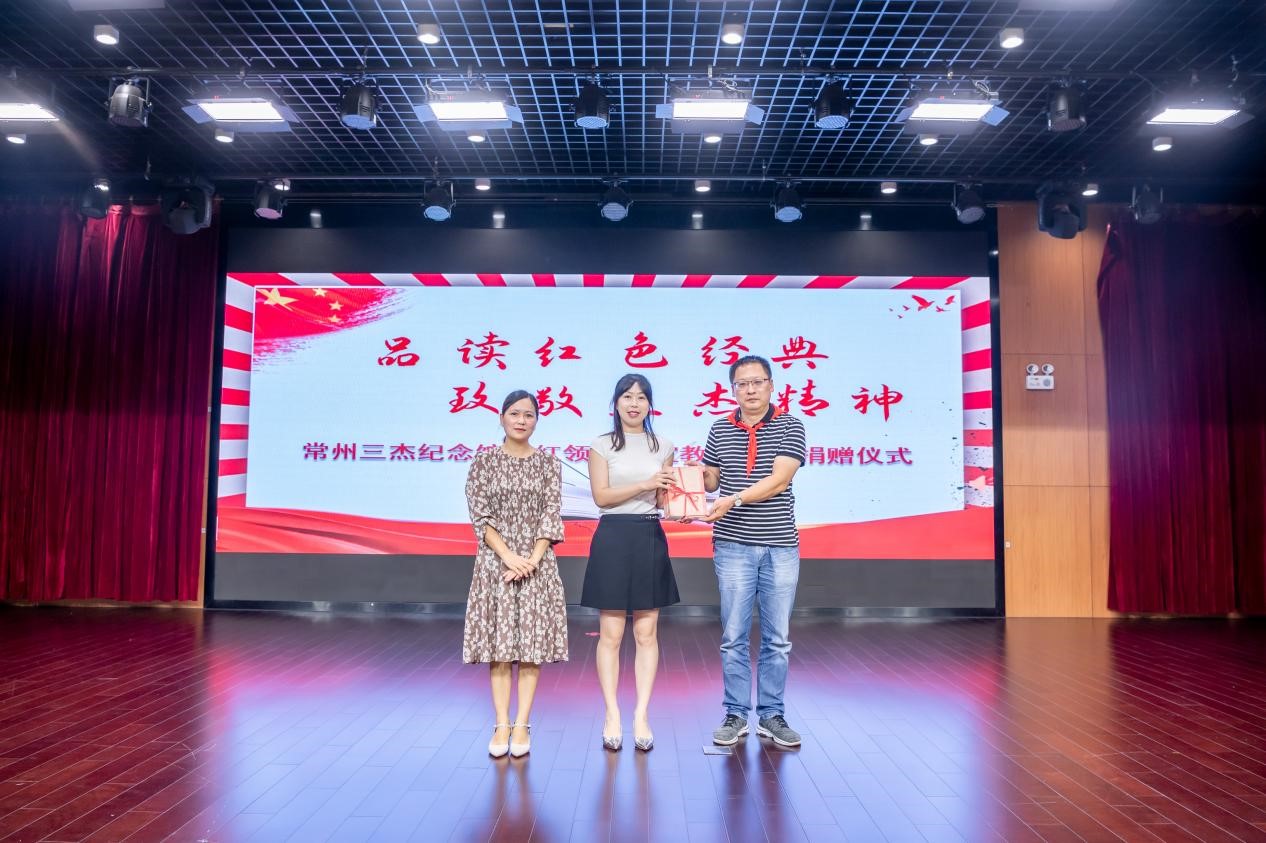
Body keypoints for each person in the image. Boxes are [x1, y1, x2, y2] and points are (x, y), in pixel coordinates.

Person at [699, 355, 807, 748]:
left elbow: (779, 480)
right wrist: (687, 476)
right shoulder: (718, 428)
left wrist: (734, 499)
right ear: (733, 389)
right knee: (734, 637)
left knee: (778, 638)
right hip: (731, 545)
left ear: (771, 385)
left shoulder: (791, 425)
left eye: (757, 382)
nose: (750, 390)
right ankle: (735, 714)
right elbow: (711, 480)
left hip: (780, 545)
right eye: (742, 384)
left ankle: (772, 715)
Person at [462, 390, 567, 759]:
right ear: (502, 417)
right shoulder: (483, 462)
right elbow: (480, 516)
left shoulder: (549, 464)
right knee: (501, 648)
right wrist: (508, 556)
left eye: (529, 415)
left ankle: (522, 724)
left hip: (537, 565)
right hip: (496, 564)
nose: (522, 420)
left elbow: (551, 514)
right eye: (515, 413)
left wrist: (531, 560)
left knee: (531, 647)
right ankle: (501, 723)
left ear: (537, 420)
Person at [581, 374, 680, 752]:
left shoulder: (663, 446)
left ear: (650, 405)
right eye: (627, 396)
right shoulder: (601, 445)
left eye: (641, 397)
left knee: (646, 634)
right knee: (610, 635)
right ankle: (611, 714)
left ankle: (641, 714)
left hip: (649, 535)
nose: (634, 403)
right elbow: (602, 497)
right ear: (616, 403)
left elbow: (663, 501)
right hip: (613, 536)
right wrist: (645, 484)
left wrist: (681, 496)